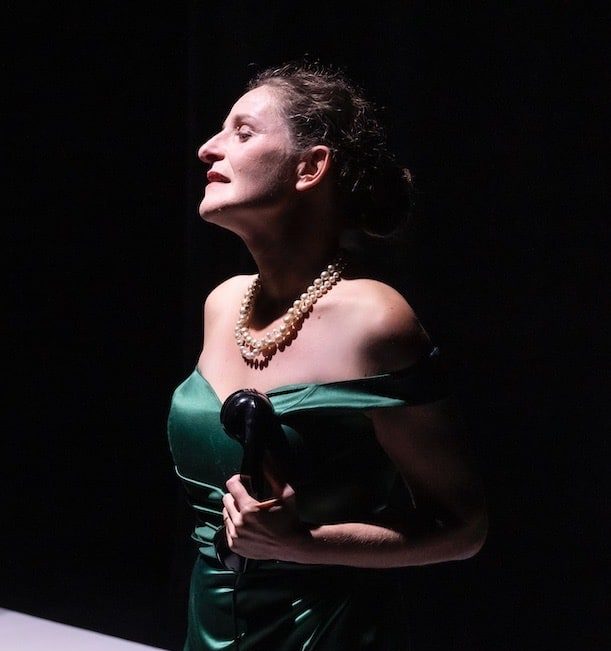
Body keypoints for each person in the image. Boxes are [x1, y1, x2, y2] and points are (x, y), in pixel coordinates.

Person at [167, 60, 488, 651]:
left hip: (323, 631)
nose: (207, 148)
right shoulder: (224, 303)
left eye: (243, 132)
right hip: (209, 623)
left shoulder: (374, 319)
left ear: (310, 167)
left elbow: (463, 528)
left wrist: (305, 543)